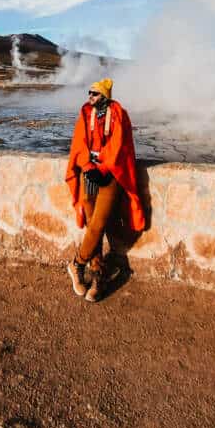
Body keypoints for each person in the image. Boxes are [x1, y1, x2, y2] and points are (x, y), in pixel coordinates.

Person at [65, 78, 145, 302]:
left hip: (110, 175)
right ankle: (98, 275)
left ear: (105, 96)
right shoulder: (85, 114)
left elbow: (120, 145)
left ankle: (77, 263)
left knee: (99, 223)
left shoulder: (119, 114)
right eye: (89, 92)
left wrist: (104, 169)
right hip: (89, 175)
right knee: (94, 227)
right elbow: (79, 143)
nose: (90, 97)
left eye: (95, 94)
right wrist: (89, 167)